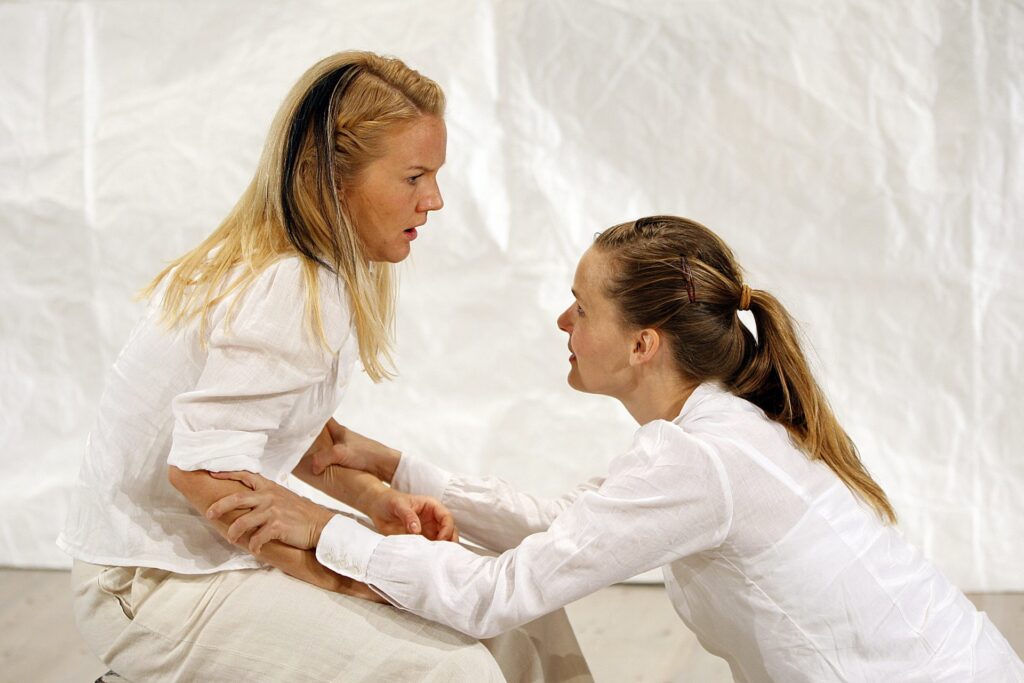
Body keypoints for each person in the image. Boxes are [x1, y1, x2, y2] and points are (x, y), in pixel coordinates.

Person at [211, 215, 1024, 682]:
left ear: (642, 344)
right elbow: (567, 527)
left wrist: (324, 528)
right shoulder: (717, 430)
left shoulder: (702, 460)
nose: (563, 323)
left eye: (581, 307)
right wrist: (391, 466)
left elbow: (497, 594)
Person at [58, 51, 590, 682]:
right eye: (414, 177)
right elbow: (203, 471)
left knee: (515, 607)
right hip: (152, 582)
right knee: (454, 671)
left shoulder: (310, 271)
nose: (435, 200)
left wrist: (376, 500)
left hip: (208, 554)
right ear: (334, 181)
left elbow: (288, 430)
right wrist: (344, 572)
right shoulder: (288, 284)